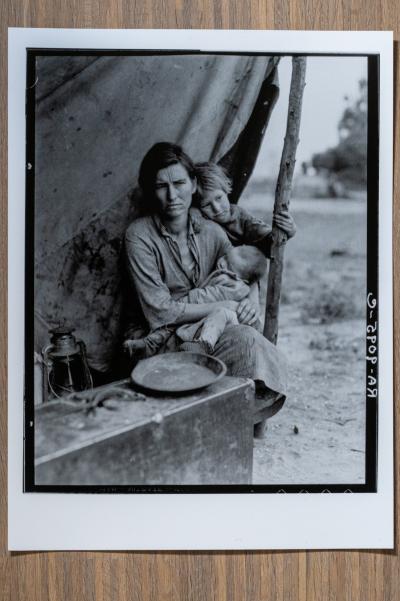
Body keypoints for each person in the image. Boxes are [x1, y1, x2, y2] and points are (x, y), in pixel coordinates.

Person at [124, 142, 287, 427]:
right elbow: (159, 312)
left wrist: (250, 299)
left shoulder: (212, 231)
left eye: (179, 183)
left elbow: (241, 272)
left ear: (193, 184)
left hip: (205, 334)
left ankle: (226, 425)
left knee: (249, 340)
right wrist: (224, 305)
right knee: (192, 368)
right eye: (162, 186)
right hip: (163, 339)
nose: (172, 195)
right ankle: (203, 422)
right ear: (151, 191)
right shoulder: (139, 236)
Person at [124, 244, 268, 359]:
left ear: (243, 280)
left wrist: (187, 301)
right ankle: (148, 345)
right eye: (225, 257)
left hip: (222, 321)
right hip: (206, 316)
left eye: (229, 266)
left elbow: (208, 296)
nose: (222, 263)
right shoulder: (227, 276)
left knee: (219, 314)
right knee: (171, 327)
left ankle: (203, 345)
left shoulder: (235, 287)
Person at [194, 161, 296, 254]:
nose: (216, 208)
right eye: (206, 205)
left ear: (226, 190)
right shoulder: (199, 218)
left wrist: (289, 231)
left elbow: (265, 238)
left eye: (219, 198)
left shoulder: (241, 217)